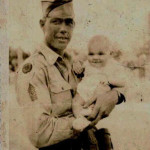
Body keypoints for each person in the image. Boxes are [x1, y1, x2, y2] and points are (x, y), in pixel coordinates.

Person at [16, 1, 122, 149]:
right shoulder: (34, 70)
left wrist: (116, 95)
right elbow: (39, 132)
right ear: (42, 24)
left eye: (69, 22)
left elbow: (112, 76)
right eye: (56, 21)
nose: (64, 29)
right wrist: (84, 119)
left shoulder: (74, 62)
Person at [72, 35, 126, 132]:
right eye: (91, 54)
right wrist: (78, 68)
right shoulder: (87, 63)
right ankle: (79, 119)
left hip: (100, 90)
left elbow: (123, 82)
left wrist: (109, 81)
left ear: (110, 53)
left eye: (101, 54)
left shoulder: (113, 65)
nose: (95, 58)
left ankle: (87, 120)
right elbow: (79, 70)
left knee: (93, 108)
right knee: (75, 103)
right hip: (84, 89)